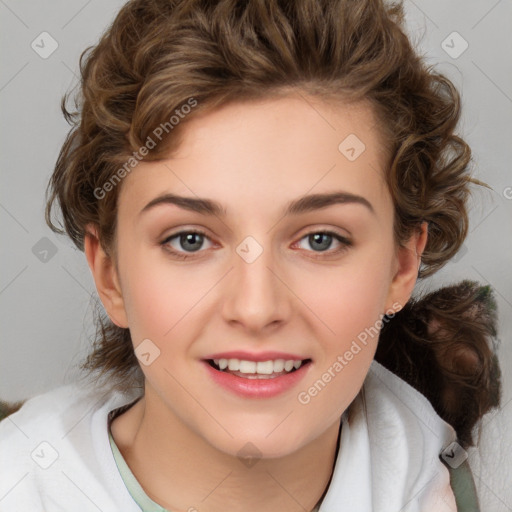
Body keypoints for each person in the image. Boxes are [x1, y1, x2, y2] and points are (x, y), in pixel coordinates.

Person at [0, 0, 501, 510]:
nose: (257, 308)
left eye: (320, 239)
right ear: (109, 275)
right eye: (190, 240)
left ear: (401, 267)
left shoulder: (473, 483)